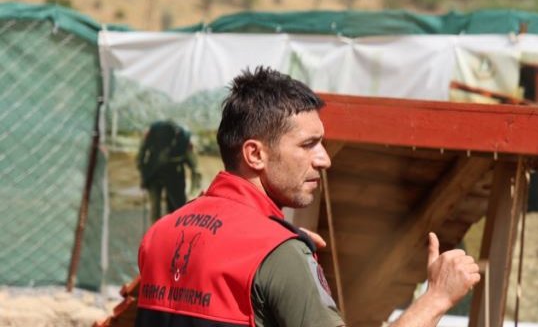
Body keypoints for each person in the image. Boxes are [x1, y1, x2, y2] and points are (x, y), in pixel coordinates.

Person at [135, 66, 480, 327]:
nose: (324, 159)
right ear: (255, 154)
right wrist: (437, 297)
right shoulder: (276, 252)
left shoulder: (161, 233)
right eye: (308, 144)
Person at [137, 119, 202, 223]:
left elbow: (141, 154)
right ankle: (173, 233)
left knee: (155, 210)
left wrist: (143, 174)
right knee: (176, 210)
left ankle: (155, 235)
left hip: (153, 172)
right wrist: (193, 192)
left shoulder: (152, 131)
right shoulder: (184, 137)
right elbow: (195, 167)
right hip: (174, 174)